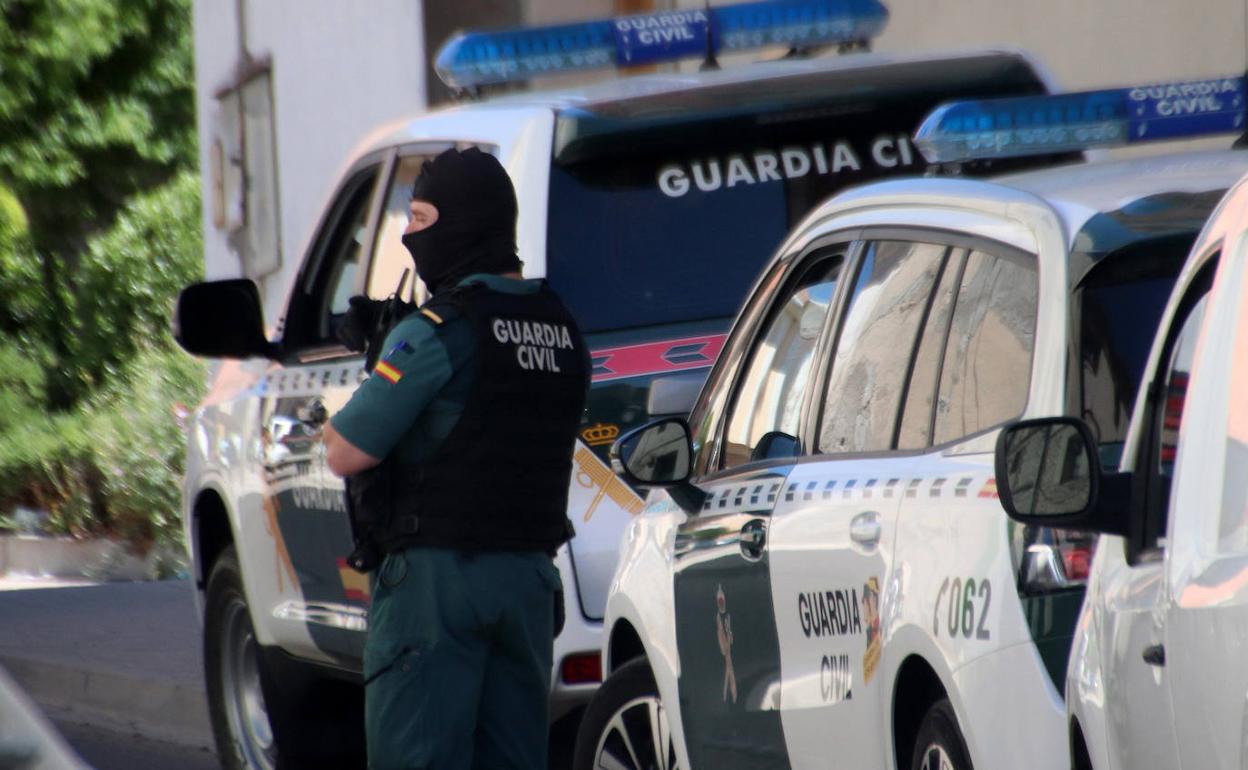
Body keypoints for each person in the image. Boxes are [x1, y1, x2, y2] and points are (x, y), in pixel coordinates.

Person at [322, 147, 590, 770]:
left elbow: (345, 452)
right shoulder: (560, 325)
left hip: (436, 586)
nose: (409, 235)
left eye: (418, 217)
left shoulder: (435, 330)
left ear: (459, 223)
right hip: (527, 580)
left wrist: (381, 357)